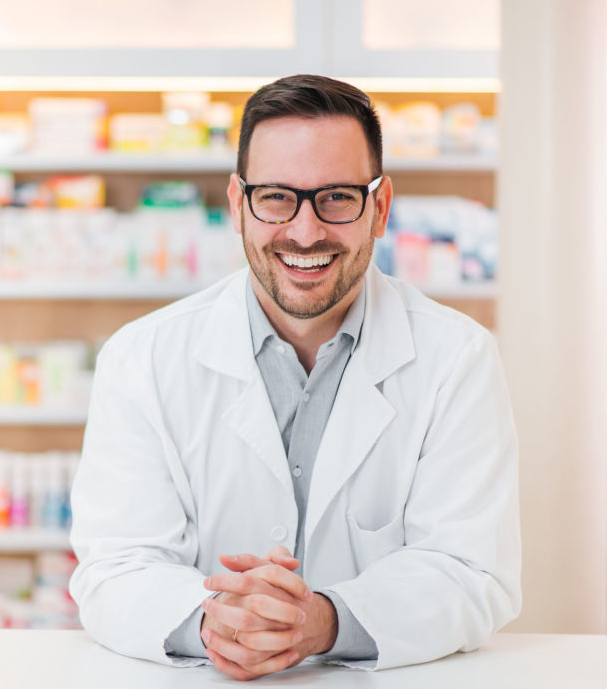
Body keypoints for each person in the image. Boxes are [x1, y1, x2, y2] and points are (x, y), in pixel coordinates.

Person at [68, 74, 521, 679]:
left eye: (336, 196)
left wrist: (323, 621)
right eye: (277, 196)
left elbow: (471, 570)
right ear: (237, 204)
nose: (305, 232)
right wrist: (214, 624)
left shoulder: (456, 357)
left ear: (379, 207)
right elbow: (115, 565)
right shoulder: (142, 358)